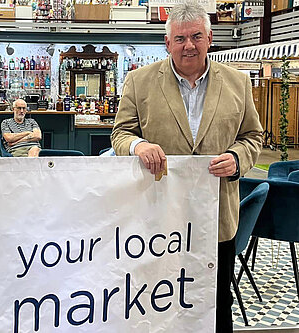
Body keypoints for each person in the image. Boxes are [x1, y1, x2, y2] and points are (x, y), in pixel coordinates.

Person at [110, 2, 262, 332]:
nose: (188, 45)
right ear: (167, 44)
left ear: (210, 38)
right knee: (156, 302)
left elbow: (252, 136)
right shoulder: (139, 82)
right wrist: (139, 146)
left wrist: (237, 159)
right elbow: (121, 133)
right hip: (157, 222)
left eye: (196, 36)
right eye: (179, 39)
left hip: (217, 220)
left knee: (216, 304)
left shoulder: (238, 82)